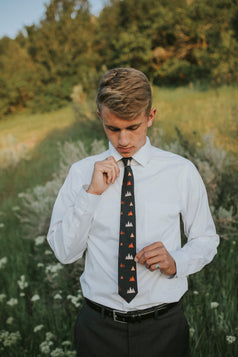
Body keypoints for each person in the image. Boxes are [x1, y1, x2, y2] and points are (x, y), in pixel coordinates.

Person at [47, 67, 219, 357]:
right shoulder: (80, 175)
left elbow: (206, 239)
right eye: (113, 129)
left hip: (164, 327)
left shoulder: (180, 171)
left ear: (150, 117)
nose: (123, 140)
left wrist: (176, 261)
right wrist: (90, 195)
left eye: (133, 127)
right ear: (100, 117)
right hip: (98, 329)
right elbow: (65, 253)